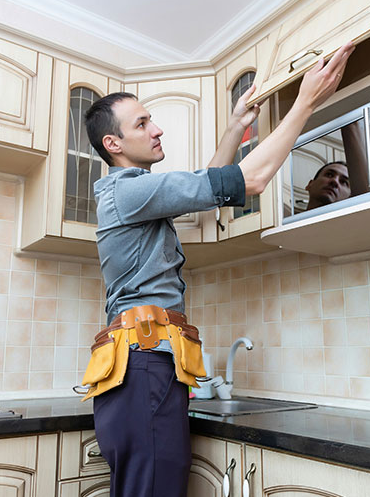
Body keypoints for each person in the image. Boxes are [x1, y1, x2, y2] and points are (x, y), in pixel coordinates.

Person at [81, 41, 354, 497]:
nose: (157, 130)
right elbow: (251, 180)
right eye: (143, 123)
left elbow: (207, 185)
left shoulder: (135, 195)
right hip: (144, 366)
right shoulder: (128, 192)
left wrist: (235, 127)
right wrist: (306, 100)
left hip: (142, 367)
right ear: (113, 144)